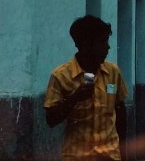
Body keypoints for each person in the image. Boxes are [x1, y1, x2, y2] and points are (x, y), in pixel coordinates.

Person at [44, 15, 128, 160]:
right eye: (103, 41)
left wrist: (125, 153)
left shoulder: (114, 72)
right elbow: (51, 120)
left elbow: (120, 111)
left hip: (110, 156)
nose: (108, 46)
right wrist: (74, 98)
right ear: (85, 44)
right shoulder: (61, 76)